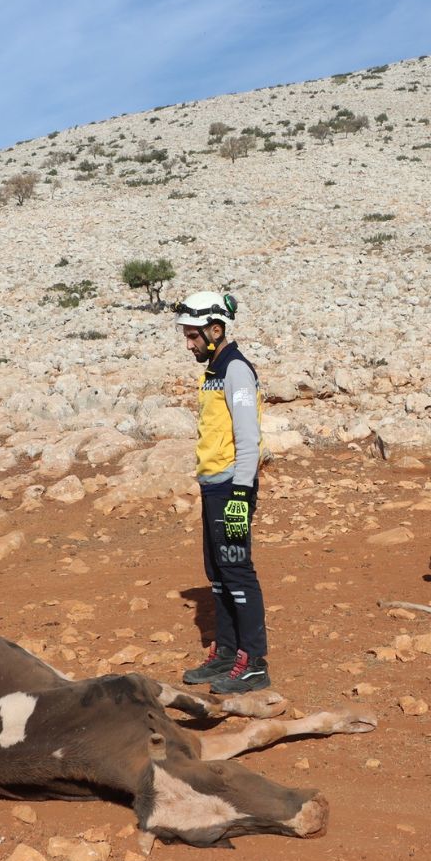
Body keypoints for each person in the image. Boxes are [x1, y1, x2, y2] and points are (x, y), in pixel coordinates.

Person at [174, 292, 270, 694]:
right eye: (187, 335)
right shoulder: (213, 369)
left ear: (216, 330)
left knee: (236, 570)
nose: (189, 343)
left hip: (233, 489)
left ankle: (254, 663)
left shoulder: (236, 371)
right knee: (217, 572)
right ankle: (228, 653)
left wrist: (240, 494)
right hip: (214, 487)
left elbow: (249, 438)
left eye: (195, 335)